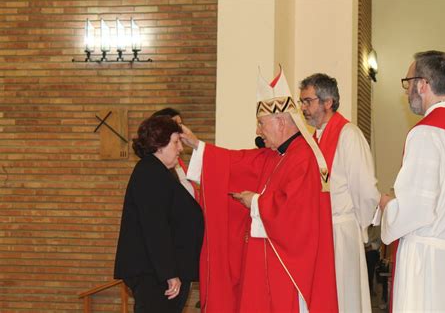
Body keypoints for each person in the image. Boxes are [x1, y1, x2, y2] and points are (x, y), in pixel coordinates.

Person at [181, 68, 338, 312]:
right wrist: (197, 146)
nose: (257, 131)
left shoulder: (303, 158)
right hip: (271, 266)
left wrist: (255, 202)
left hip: (290, 270)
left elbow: (295, 215)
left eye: (261, 123)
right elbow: (235, 162)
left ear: (280, 121)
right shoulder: (278, 155)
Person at [379, 50, 445, 312]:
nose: (407, 91)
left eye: (408, 83)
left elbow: (416, 208)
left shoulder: (427, 132)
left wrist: (388, 206)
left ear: (423, 84)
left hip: (427, 262)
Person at [299, 73, 380, 312]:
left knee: (343, 298)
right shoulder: (314, 139)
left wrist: (360, 228)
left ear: (327, 102)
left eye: (308, 101)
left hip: (340, 233)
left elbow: (365, 190)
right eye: (302, 101)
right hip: (319, 233)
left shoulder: (349, 135)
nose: (303, 107)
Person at [114, 116, 204, 313]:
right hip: (155, 275)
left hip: (160, 273)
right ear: (159, 144)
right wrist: (169, 273)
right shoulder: (150, 172)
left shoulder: (157, 171)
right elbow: (154, 226)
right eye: (175, 142)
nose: (180, 148)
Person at [152, 108, 199, 200]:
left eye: (180, 124)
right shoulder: (157, 167)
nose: (180, 129)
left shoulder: (178, 162)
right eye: (174, 125)